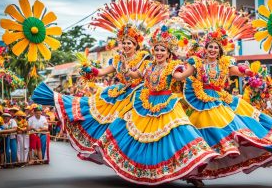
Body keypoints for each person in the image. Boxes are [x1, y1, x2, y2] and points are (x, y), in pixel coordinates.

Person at [179, 0, 272, 184]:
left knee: (243, 127)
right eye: (210, 47)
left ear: (220, 51)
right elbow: (183, 76)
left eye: (216, 47)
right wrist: (173, 71)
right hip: (199, 103)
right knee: (196, 140)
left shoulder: (225, 64)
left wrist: (248, 72)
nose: (213, 50)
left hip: (221, 101)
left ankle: (270, 146)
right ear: (205, 49)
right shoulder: (197, 64)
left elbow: (238, 71)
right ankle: (194, 175)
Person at [32, 0, 169, 162]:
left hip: (139, 95)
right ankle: (55, 98)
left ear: (136, 45)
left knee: (132, 128)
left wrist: (127, 70)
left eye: (130, 43)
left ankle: (139, 157)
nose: (126, 46)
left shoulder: (144, 58)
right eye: (124, 42)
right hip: (121, 93)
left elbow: (137, 75)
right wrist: (90, 69)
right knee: (92, 109)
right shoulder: (117, 59)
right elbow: (103, 72)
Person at [89, 23, 219, 186]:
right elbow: (134, 75)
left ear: (168, 53)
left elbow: (180, 77)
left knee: (180, 136)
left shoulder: (173, 66)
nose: (159, 53)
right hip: (146, 104)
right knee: (132, 134)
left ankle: (192, 174)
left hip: (168, 105)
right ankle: (144, 172)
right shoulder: (148, 66)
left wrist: (193, 65)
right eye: (156, 49)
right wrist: (125, 67)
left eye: (162, 50)